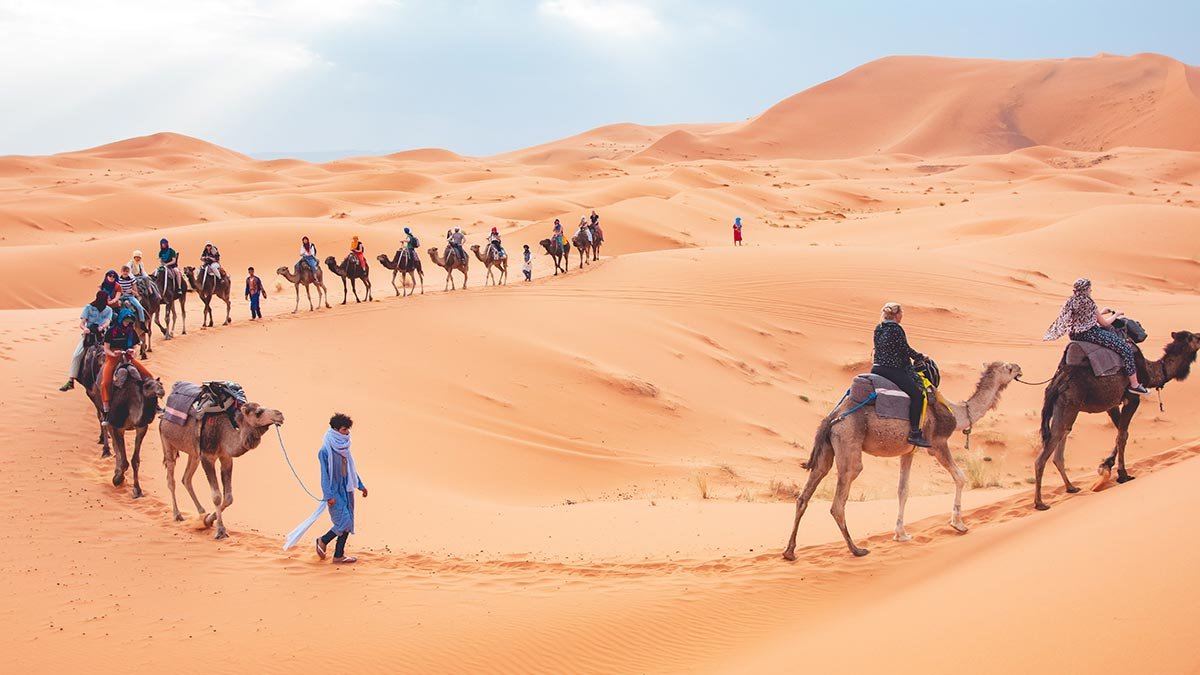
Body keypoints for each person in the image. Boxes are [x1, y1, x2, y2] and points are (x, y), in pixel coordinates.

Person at [1043, 278, 1148, 396]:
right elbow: (1105, 323)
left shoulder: (1070, 301)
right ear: (1086, 289)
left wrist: (1101, 312)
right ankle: (1135, 385)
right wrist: (1116, 315)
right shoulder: (1089, 302)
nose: (1091, 290)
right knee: (1126, 349)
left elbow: (1081, 317)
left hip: (1075, 335)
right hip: (1089, 333)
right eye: (1089, 288)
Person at [871, 302, 932, 448]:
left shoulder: (879, 327)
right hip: (892, 370)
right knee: (918, 394)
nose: (902, 316)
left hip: (877, 368)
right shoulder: (896, 329)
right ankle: (915, 433)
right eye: (901, 313)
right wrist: (920, 357)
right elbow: (905, 349)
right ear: (897, 315)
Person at [315, 412, 368, 564]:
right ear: (336, 429)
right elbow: (324, 475)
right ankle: (322, 540)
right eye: (345, 430)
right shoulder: (325, 450)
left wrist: (361, 486)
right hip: (334, 491)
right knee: (343, 521)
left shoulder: (344, 448)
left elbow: (351, 470)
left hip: (347, 489)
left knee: (348, 522)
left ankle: (339, 555)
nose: (347, 433)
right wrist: (328, 495)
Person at [99, 308, 155, 423]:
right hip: (113, 358)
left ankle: (153, 404)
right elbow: (106, 349)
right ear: (121, 320)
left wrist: (132, 351)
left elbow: (135, 345)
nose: (127, 323)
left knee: (148, 375)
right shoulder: (111, 332)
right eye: (126, 321)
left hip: (128, 357)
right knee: (105, 383)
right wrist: (114, 354)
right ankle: (106, 411)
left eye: (129, 321)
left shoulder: (131, 331)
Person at [60, 291, 113, 391]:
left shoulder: (108, 310)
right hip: (89, 335)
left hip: (103, 335)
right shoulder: (88, 308)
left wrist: (102, 327)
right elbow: (82, 323)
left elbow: (107, 322)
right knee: (77, 355)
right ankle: (71, 380)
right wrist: (85, 329)